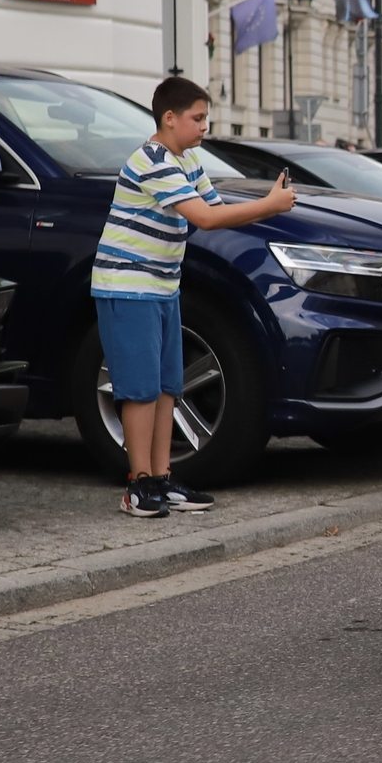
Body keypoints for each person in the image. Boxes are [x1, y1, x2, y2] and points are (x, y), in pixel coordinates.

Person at [94, 76, 300, 518]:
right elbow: (205, 219)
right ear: (170, 118)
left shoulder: (186, 161)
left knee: (168, 386)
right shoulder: (152, 161)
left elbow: (218, 206)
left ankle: (163, 480)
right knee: (140, 389)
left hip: (163, 286)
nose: (205, 126)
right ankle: (138, 485)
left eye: (206, 118)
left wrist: (268, 203)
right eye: (198, 118)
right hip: (128, 286)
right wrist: (269, 205)